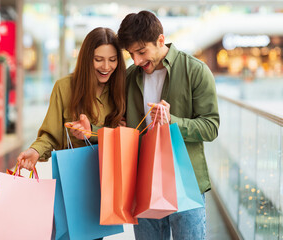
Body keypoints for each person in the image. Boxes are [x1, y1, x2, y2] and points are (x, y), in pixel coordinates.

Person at [117, 11, 220, 239]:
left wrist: (172, 121)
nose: (136, 60)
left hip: (187, 183)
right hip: (144, 184)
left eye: (142, 51)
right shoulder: (128, 77)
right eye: (131, 53)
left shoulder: (195, 71)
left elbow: (211, 127)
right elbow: (120, 125)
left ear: (161, 40)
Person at [17, 27, 126, 174]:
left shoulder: (124, 86)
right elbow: (51, 135)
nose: (106, 67)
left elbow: (131, 133)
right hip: (74, 175)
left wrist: (93, 132)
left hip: (115, 174)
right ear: (87, 59)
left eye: (112, 60)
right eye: (98, 60)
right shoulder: (64, 87)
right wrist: (36, 150)